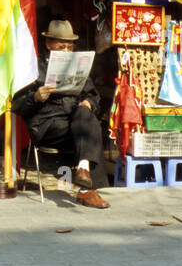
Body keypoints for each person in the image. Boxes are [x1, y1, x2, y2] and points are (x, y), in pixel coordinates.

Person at [12, 18, 111, 209]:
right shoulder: (33, 67)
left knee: (86, 115)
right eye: (61, 46)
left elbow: (93, 95)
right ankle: (88, 191)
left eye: (69, 47)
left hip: (74, 121)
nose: (66, 51)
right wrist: (36, 97)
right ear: (49, 43)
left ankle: (83, 170)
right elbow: (17, 105)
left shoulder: (76, 65)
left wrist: (88, 103)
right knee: (90, 131)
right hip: (46, 124)